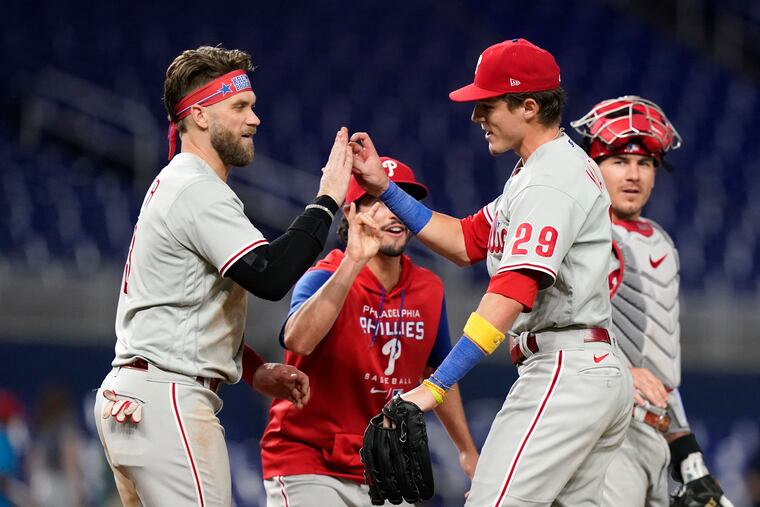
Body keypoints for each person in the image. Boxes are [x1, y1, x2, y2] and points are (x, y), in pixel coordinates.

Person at [351, 38, 633, 506]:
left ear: (527, 106)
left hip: (566, 370)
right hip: (585, 367)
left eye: (487, 105)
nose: (476, 117)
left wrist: (433, 387)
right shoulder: (537, 171)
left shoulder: (550, 180)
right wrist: (387, 191)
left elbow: (511, 292)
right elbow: (466, 240)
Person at [93, 45, 354, 506]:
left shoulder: (179, 181)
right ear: (199, 116)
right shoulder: (196, 188)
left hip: (134, 396)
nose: (254, 119)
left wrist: (252, 370)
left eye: (251, 106)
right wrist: (327, 200)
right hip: (168, 401)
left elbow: (190, 304)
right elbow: (271, 277)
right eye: (239, 107)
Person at [260, 158, 480, 506]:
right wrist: (354, 260)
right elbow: (297, 341)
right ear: (352, 213)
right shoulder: (324, 276)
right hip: (310, 460)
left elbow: (436, 373)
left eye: (398, 200)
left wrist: (467, 451)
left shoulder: (430, 288)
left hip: (387, 466)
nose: (393, 212)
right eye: (376, 201)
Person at [571, 95, 733, 507]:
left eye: (645, 163)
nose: (633, 174)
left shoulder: (661, 241)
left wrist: (689, 454)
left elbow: (660, 368)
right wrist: (624, 369)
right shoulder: (580, 235)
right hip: (601, 430)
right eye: (619, 161)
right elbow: (553, 332)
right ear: (594, 166)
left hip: (655, 435)